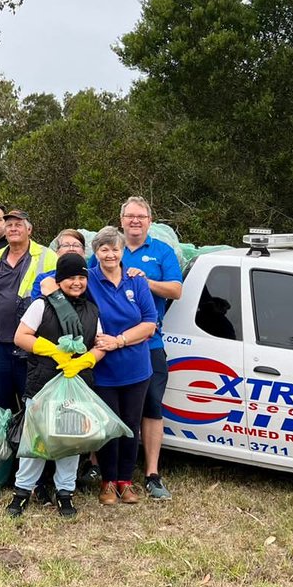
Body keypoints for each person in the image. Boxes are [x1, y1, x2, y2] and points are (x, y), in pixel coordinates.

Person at [9, 252, 105, 518]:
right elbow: (21, 336)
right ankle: (22, 492)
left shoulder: (92, 310)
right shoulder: (42, 305)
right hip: (43, 382)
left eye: (81, 278)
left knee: (70, 440)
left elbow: (99, 344)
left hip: (76, 384)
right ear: (59, 280)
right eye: (70, 277)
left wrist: (86, 360)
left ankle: (65, 493)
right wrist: (53, 351)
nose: (76, 282)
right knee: (36, 440)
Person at [114, 197, 182, 501]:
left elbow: (176, 290)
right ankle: (100, 467)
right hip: (111, 343)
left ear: (150, 221)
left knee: (152, 406)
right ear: (121, 220)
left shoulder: (162, 251)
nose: (135, 221)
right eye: (130, 216)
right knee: (109, 404)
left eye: (141, 216)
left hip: (149, 343)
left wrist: (146, 280)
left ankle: (152, 474)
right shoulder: (110, 247)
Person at [87, 226, 158, 505]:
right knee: (109, 427)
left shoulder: (136, 280)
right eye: (104, 249)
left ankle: (125, 481)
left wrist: (119, 341)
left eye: (115, 249)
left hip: (136, 368)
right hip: (103, 369)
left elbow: (149, 323)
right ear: (95, 253)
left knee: (130, 425)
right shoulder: (88, 279)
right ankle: (107, 482)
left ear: (122, 251)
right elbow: (57, 281)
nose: (110, 254)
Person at [0, 209, 57, 413]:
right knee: (1, 408)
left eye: (18, 224)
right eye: (9, 225)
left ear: (29, 230)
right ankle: (5, 436)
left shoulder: (47, 256)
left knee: (34, 408)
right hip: (1, 345)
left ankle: (30, 436)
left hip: (35, 347)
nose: (13, 228)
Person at [33, 229, 87, 298]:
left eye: (76, 245)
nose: (71, 249)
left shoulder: (91, 277)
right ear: (57, 251)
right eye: (66, 245)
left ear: (84, 251)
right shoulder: (43, 279)